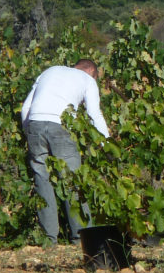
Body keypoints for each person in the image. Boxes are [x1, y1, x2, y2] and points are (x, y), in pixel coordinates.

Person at [20, 59, 110, 244]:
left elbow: (26, 108)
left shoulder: (49, 70)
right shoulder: (88, 80)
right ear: (92, 71)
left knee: (42, 180)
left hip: (35, 123)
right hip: (61, 125)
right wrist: (106, 146)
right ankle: (82, 239)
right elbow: (94, 114)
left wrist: (29, 131)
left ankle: (49, 240)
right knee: (73, 182)